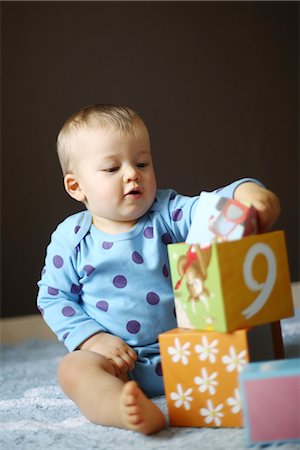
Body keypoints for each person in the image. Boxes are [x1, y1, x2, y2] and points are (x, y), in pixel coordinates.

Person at [37, 104, 280, 435]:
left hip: (189, 351)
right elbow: (54, 298)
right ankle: (119, 406)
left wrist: (247, 192)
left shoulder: (167, 212)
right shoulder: (72, 238)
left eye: (141, 163)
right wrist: (93, 340)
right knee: (73, 369)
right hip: (121, 362)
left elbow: (209, 205)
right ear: (76, 186)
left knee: (242, 349)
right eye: (111, 168)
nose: (132, 174)